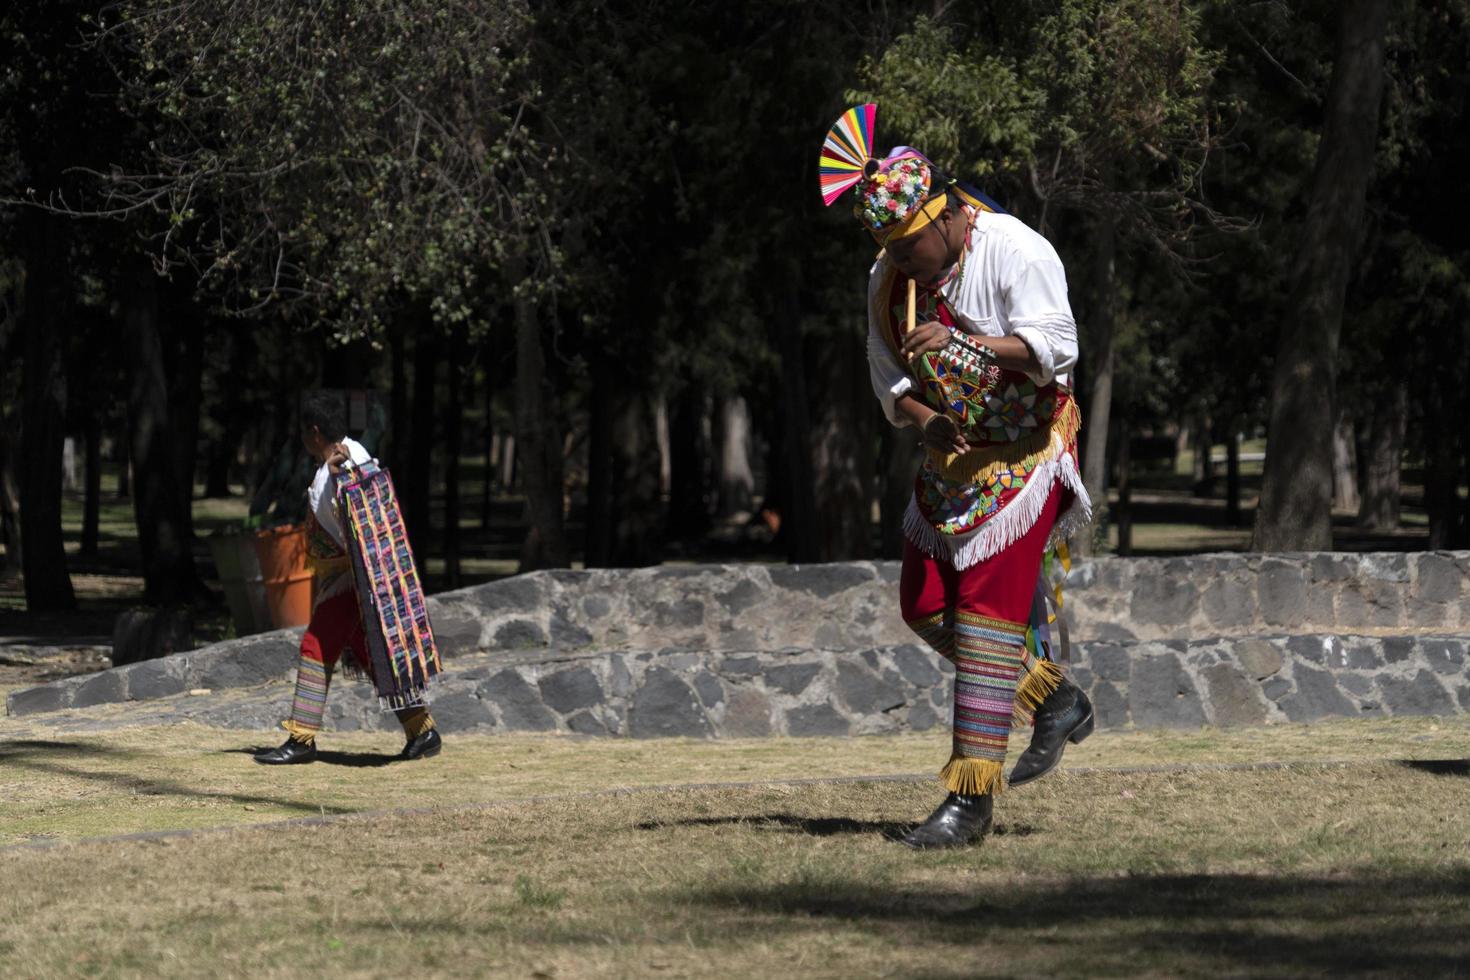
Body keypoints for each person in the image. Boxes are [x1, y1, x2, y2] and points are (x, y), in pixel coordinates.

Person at [819, 104, 1094, 847]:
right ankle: (1055, 697)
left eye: (911, 245)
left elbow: (1055, 351)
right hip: (951, 460)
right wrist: (923, 421)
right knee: (924, 603)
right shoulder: (887, 282)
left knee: (986, 617)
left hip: (1028, 453)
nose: (903, 262)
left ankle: (968, 802)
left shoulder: (1014, 249)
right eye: (891, 249)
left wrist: (967, 341)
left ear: (946, 215)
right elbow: (891, 386)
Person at [254, 391, 442, 764]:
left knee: (315, 646)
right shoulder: (348, 455)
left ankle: (301, 739)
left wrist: (343, 474)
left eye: (304, 434)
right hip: (361, 580)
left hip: (356, 581)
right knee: (369, 651)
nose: (303, 440)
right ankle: (422, 729)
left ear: (315, 431)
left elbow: (360, 508)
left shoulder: (344, 463)